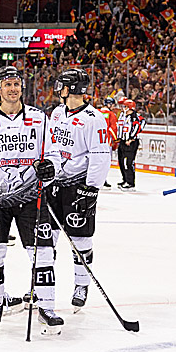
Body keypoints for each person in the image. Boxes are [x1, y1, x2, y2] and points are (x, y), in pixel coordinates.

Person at [0, 67, 63, 333]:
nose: (13, 89)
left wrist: (50, 166)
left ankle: (47, 307)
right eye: (7, 84)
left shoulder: (38, 117)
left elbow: (53, 152)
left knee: (42, 253)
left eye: (16, 84)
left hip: (32, 196)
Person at [45, 68, 111, 313]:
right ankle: (41, 285)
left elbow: (100, 156)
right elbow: (51, 144)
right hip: (54, 184)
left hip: (77, 185)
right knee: (46, 238)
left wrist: (91, 189)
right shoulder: (57, 113)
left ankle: (81, 285)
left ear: (70, 89)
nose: (57, 88)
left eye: (61, 84)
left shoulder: (94, 119)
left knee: (80, 239)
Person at [116, 99, 145, 190]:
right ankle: (125, 179)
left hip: (130, 142)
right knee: (121, 162)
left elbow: (137, 127)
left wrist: (131, 138)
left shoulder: (134, 116)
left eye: (124, 106)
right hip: (122, 141)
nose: (122, 108)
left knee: (129, 162)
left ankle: (130, 182)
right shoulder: (122, 115)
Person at [98, 97, 119, 188]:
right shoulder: (111, 114)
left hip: (95, 142)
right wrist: (115, 141)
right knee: (105, 162)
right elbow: (113, 129)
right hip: (106, 143)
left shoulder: (96, 112)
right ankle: (103, 179)